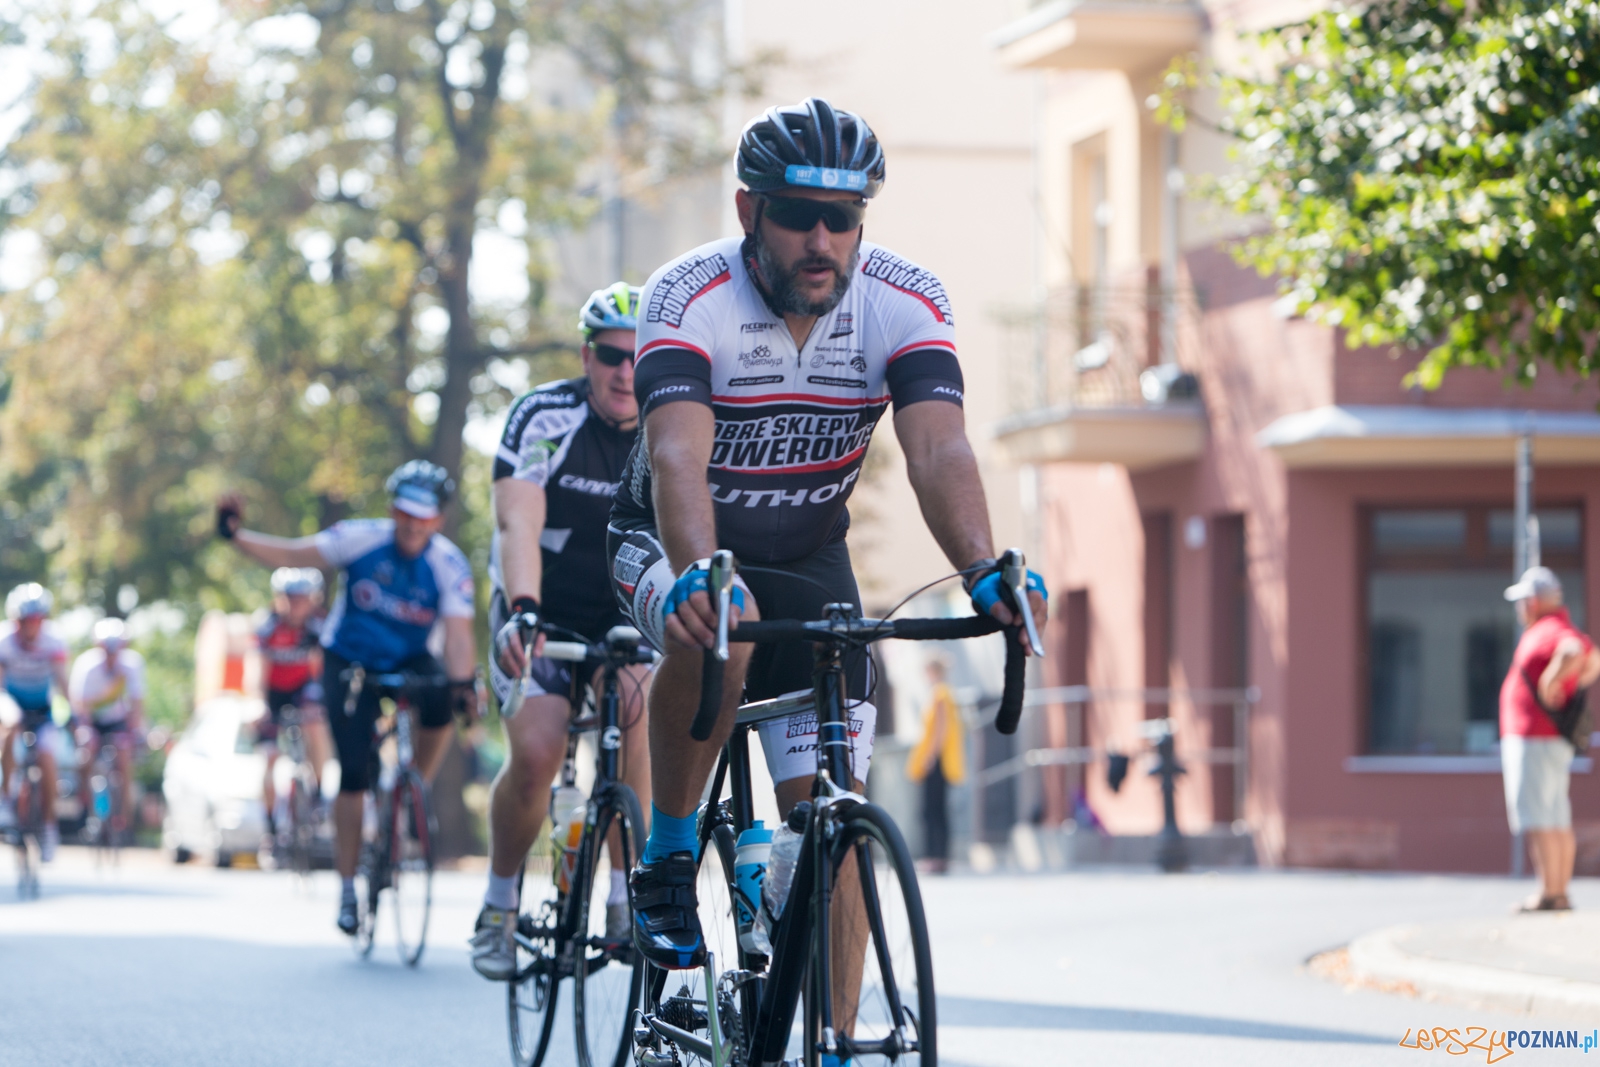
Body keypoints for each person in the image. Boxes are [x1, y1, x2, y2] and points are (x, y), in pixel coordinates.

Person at [606, 96, 1049, 970]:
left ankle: (836, 1041)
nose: (821, 240)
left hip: (808, 552)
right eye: (799, 216)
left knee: (835, 830)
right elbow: (675, 460)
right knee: (718, 629)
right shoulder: (689, 294)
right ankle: (666, 851)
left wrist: (981, 569)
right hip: (666, 536)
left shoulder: (905, 299)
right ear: (748, 212)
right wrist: (700, 573)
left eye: (841, 219)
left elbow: (938, 447)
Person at [470, 283, 655, 980]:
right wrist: (522, 607)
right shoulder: (544, 415)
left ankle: (620, 898)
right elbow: (517, 519)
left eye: (642, 356)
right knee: (540, 752)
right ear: (586, 355)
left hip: (621, 612)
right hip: (539, 607)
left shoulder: (674, 419)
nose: (626, 371)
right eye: (611, 355)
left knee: (636, 721)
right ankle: (499, 902)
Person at [216, 461, 480, 934]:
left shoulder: (449, 563)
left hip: (410, 657)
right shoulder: (360, 538)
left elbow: (458, 637)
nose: (412, 525)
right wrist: (235, 535)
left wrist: (464, 689)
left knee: (444, 696)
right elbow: (292, 553)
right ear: (391, 510)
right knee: (354, 773)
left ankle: (411, 787)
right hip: (350, 660)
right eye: (404, 513)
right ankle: (345, 887)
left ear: (438, 519)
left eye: (423, 517)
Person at [1500, 566, 1600, 912]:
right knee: (1554, 817)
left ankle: (1550, 893)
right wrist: (1570, 681)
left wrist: (1550, 683)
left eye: (1522, 600)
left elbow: (1574, 652)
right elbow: (1593, 658)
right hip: (1548, 739)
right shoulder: (1559, 626)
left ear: (1534, 602)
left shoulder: (1548, 629)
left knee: (1541, 818)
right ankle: (1556, 892)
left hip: (1536, 739)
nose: (1519, 608)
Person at [255, 567, 332, 829]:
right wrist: (258, 703)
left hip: (303, 688)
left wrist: (325, 702)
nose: (295, 604)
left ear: (313, 599)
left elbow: (323, 669)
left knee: (316, 724)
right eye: (289, 597)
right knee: (269, 757)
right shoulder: (267, 625)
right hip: (273, 693)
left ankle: (318, 792)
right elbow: (256, 668)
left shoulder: (319, 626)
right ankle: (270, 824)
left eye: (302, 598)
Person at [0, 584, 71, 859]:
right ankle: (6, 801)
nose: (32, 626)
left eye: (37, 620)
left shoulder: (54, 640)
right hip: (11, 701)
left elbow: (62, 681)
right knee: (11, 722)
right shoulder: (4, 640)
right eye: (26, 620)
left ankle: (49, 828)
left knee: (47, 756)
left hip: (43, 709)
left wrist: (73, 713)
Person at [69, 617, 147, 838]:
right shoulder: (86, 665)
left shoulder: (132, 664)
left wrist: (137, 732)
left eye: (116, 649)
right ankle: (84, 805)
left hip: (117, 721)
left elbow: (137, 703)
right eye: (106, 649)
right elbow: (78, 704)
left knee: (124, 759)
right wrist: (83, 731)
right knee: (85, 756)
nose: (111, 654)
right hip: (91, 720)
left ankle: (124, 818)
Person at [907, 656, 965, 875]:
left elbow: (941, 730)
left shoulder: (940, 695)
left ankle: (935, 857)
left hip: (936, 762)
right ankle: (938, 857)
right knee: (937, 810)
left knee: (932, 811)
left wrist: (929, 757)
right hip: (939, 761)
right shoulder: (944, 694)